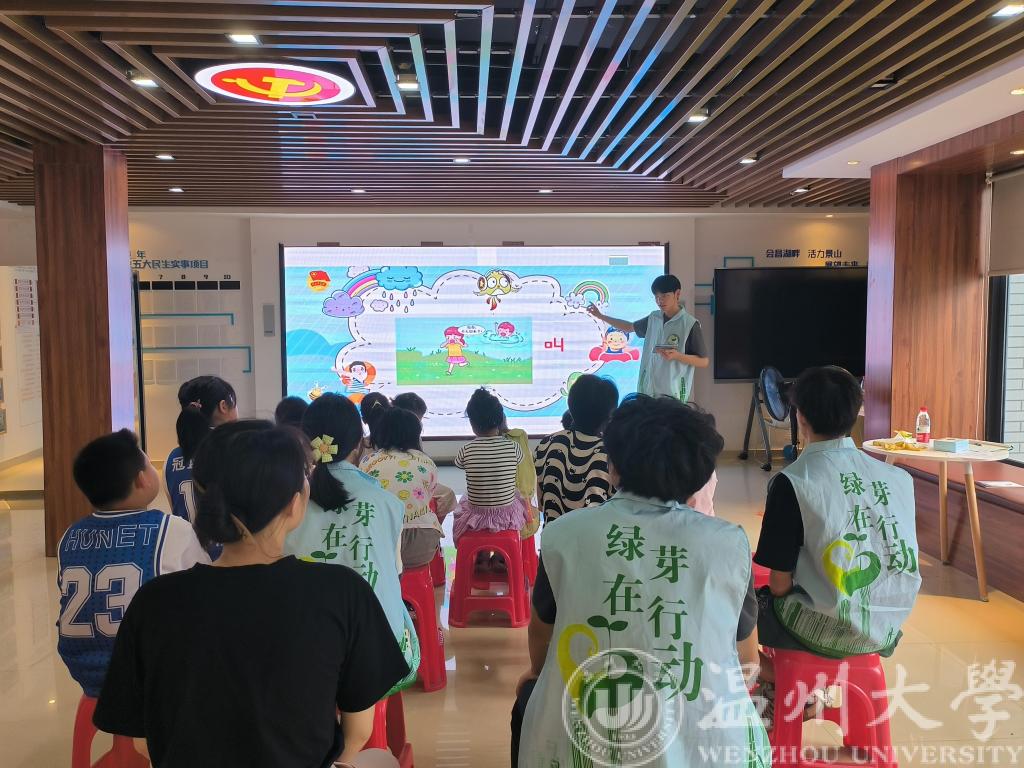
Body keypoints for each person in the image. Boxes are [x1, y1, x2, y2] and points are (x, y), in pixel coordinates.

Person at [94, 421, 409, 768]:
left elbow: (143, 742)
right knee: (382, 759)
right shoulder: (342, 591)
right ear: (294, 504)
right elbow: (358, 733)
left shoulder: (153, 602)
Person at [512, 396, 766, 768]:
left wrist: (536, 673)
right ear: (698, 475)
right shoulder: (728, 543)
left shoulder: (564, 535)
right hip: (708, 744)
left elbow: (541, 634)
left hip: (589, 737)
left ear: (613, 468)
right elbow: (747, 660)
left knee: (529, 701)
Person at [754, 366, 920, 680]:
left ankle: (781, 682)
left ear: (800, 416)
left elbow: (779, 584)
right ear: (855, 413)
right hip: (886, 628)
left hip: (822, 628)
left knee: (733, 610)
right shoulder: (899, 478)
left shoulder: (793, 482)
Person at [57, 430, 209, 699]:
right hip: (151, 673)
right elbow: (207, 588)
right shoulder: (171, 529)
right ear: (142, 479)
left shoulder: (70, 535)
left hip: (85, 672)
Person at [285, 394, 419, 692]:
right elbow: (395, 572)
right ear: (359, 443)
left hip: (301, 652)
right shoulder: (387, 502)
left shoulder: (286, 501)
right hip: (378, 654)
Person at [588, 274, 708, 403]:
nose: (660, 301)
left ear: (677, 294)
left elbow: (703, 361)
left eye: (664, 296)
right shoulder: (653, 318)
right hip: (647, 393)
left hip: (673, 397)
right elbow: (629, 327)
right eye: (656, 297)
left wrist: (677, 356)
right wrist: (600, 316)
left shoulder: (689, 324)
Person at [359, 406, 442, 570]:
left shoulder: (368, 461)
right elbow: (428, 498)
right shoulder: (427, 462)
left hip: (380, 547)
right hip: (422, 546)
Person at [534, 374, 618, 522]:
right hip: (593, 535)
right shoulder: (611, 454)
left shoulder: (545, 444)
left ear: (571, 405)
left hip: (553, 534)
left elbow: (541, 504)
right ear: (609, 415)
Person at [453, 388, 528, 542]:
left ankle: (475, 554)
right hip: (507, 514)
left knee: (465, 498)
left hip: (477, 515)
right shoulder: (513, 447)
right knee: (516, 495)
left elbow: (460, 464)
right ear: (500, 420)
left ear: (472, 423)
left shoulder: (467, 449)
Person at [165, 375, 237, 524]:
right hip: (226, 539)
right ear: (223, 406)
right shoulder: (235, 449)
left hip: (186, 538)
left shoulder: (171, 459)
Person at [393, 391, 458, 524]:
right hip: (408, 480)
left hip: (407, 478)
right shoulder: (409, 435)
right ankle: (434, 528)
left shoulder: (388, 431)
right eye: (418, 419)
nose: (419, 424)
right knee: (448, 495)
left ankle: (434, 527)